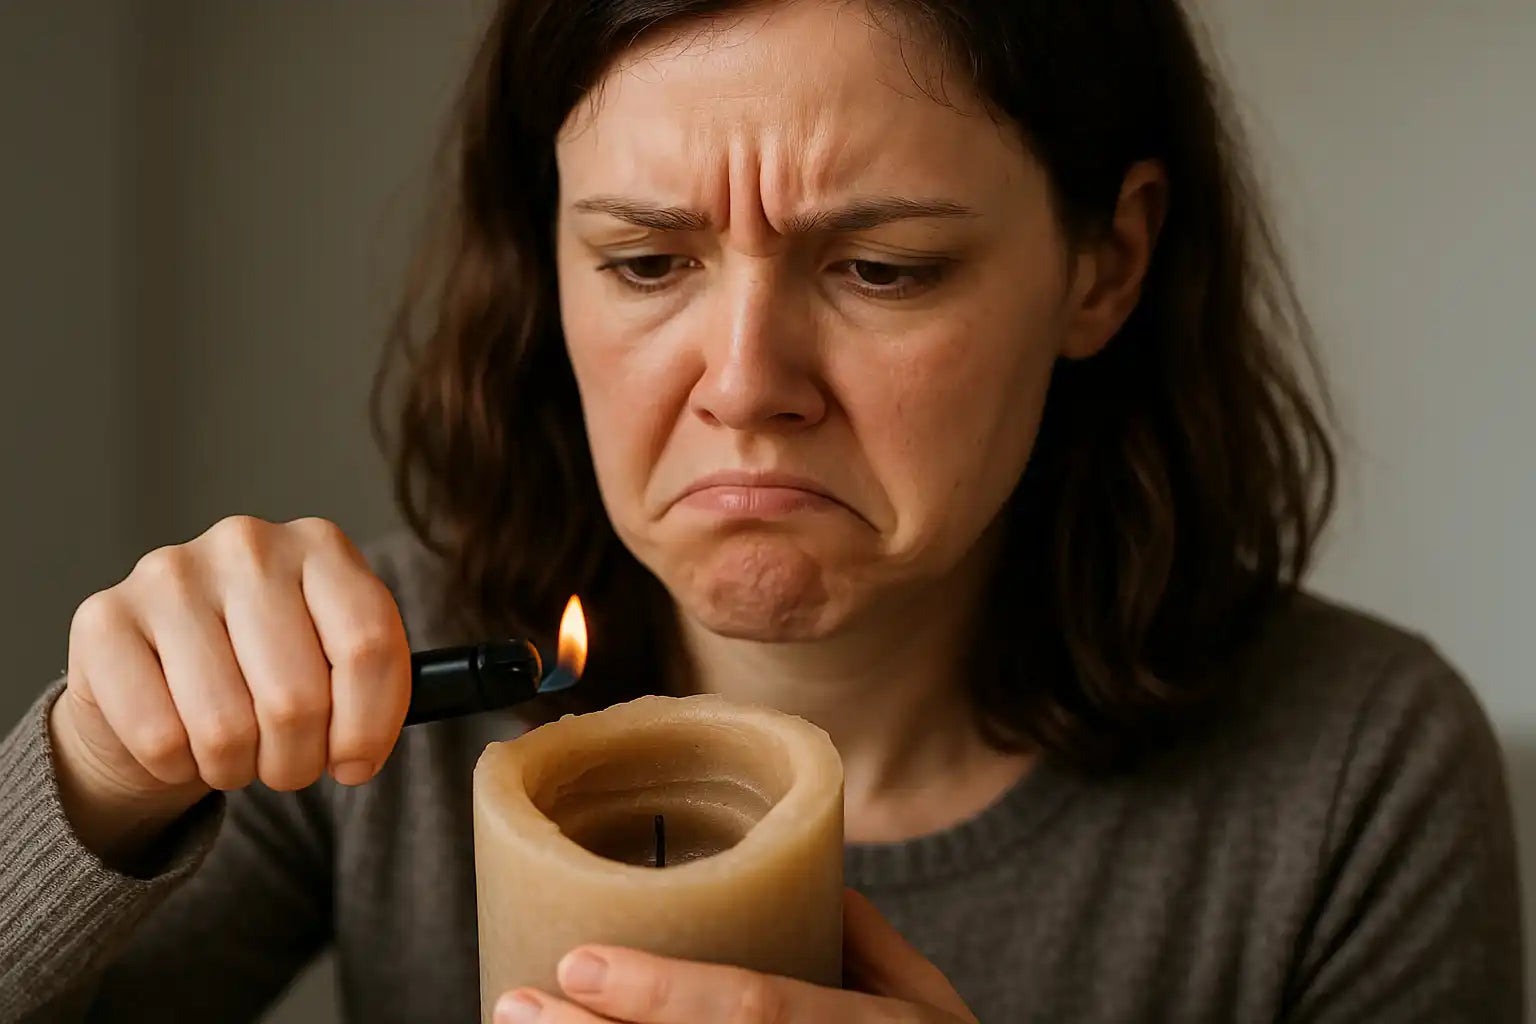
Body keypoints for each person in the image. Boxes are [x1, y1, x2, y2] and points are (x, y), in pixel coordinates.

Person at [0, 0, 1522, 1021]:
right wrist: (98, 783)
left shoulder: (1356, 777)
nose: (743, 386)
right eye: (645, 263)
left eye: (882, 269)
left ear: (1104, 265)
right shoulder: (360, 705)